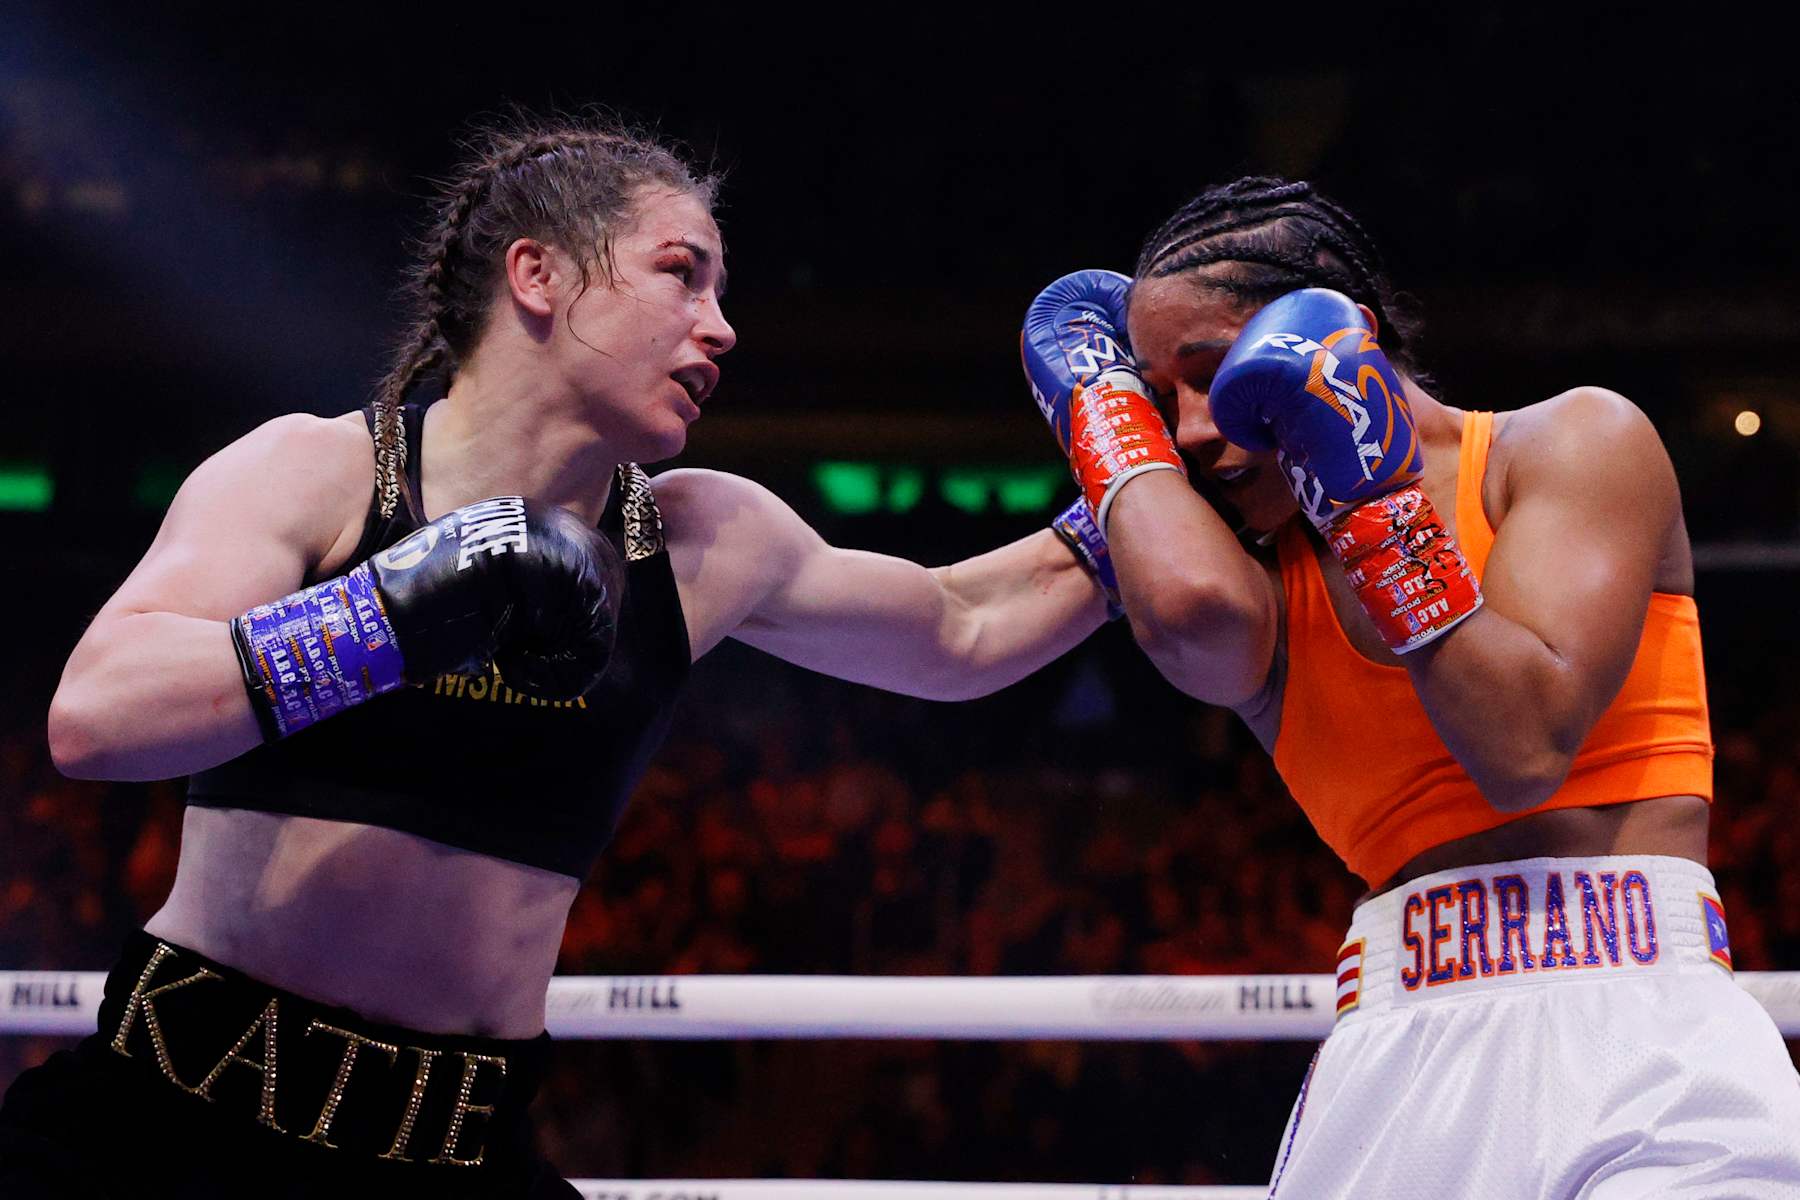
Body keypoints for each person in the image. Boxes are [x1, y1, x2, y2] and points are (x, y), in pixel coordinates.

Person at [0, 114, 1114, 1199]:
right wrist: (396, 608)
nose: (720, 326)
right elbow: (97, 716)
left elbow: (965, 625)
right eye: (683, 273)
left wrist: (1147, 463)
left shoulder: (701, 540)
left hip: (460, 1152)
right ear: (538, 275)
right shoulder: (319, 474)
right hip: (174, 1130)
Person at [1021, 177, 1800, 1196]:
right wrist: (1103, 418)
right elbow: (957, 625)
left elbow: (1521, 747)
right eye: (1159, 401)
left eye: (1213, 376)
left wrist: (1367, 498)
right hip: (1399, 1051)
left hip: (1642, 1021)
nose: (1197, 431)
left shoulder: (1572, 444)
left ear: (1341, 337)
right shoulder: (1255, 585)